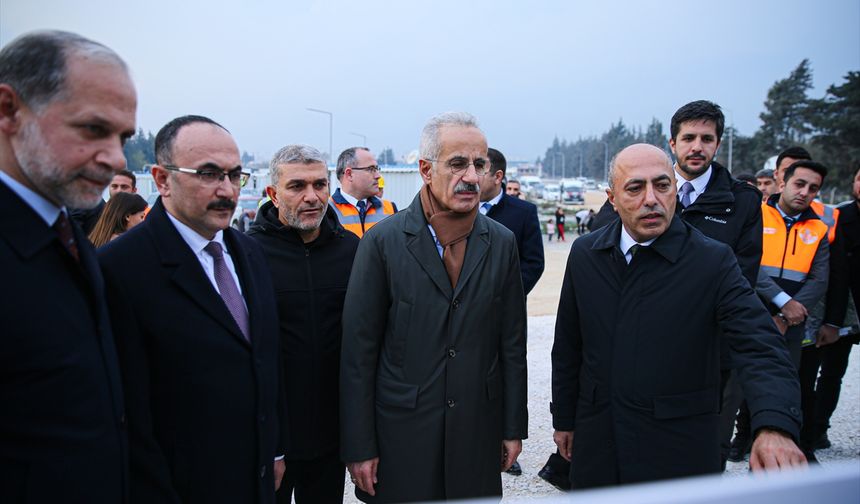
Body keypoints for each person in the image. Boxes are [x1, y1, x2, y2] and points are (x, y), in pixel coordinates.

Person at [551, 144, 805, 490]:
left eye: (662, 185)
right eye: (635, 188)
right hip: (599, 440)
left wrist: (774, 424)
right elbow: (568, 345)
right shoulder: (586, 253)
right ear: (612, 198)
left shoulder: (712, 261)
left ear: (676, 190)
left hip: (676, 446)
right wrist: (565, 419)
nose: (651, 199)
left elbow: (759, 345)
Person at [340, 112, 527, 503]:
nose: (473, 176)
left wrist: (512, 426)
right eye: (458, 164)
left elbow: (511, 343)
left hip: (476, 432)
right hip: (402, 436)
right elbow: (359, 354)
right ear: (425, 170)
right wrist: (360, 445)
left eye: (480, 164)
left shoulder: (503, 242)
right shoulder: (382, 243)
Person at [98, 115, 285, 503]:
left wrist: (275, 450)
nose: (227, 190)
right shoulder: (122, 268)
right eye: (209, 174)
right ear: (162, 179)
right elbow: (126, 410)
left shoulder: (249, 252)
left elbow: (265, 359)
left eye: (235, 175)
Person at [0, 30, 136, 503]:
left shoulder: (68, 232)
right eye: (93, 129)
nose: (116, 158)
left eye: (124, 137)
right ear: (8, 110)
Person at [247, 144, 360, 504]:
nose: (311, 197)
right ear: (272, 193)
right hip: (271, 437)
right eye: (297, 186)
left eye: (319, 185)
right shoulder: (246, 255)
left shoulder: (353, 251)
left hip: (331, 436)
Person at [754, 160, 831, 461]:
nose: (805, 192)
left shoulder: (819, 228)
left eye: (813, 188)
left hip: (793, 321)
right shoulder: (756, 216)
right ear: (781, 182)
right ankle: (744, 439)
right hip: (754, 310)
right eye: (800, 184)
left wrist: (787, 314)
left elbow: (820, 278)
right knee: (739, 381)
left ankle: (790, 446)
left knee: (789, 382)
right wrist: (781, 301)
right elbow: (748, 263)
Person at [808, 166, 860, 450]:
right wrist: (833, 320)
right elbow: (835, 273)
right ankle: (816, 428)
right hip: (843, 309)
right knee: (828, 372)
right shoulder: (840, 217)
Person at [479, 147, 545, 296]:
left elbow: (534, 263)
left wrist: (507, 296)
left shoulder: (524, 212)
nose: (471, 177)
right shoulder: (460, 209)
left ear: (497, 177)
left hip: (503, 310)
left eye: (479, 170)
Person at [330, 147, 396, 237]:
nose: (378, 176)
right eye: (370, 169)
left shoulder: (390, 209)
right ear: (349, 174)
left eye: (377, 169)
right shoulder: (327, 211)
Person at [70, 168, 138, 233]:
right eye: (114, 186)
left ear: (134, 190)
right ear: (109, 187)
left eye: (124, 187)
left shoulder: (142, 215)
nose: (119, 191)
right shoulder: (93, 210)